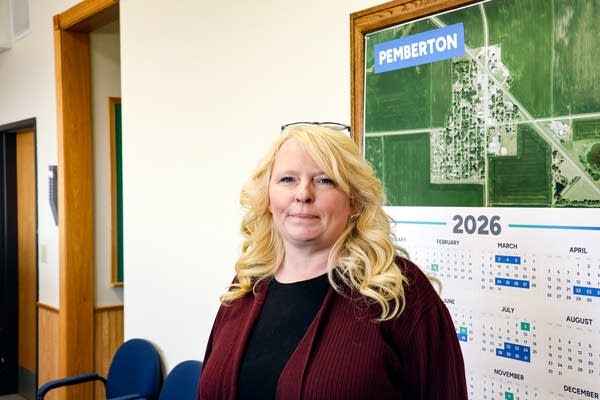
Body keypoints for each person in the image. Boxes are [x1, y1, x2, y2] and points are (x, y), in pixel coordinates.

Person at [197, 122, 467, 399]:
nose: (303, 194)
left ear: (354, 202)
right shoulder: (245, 286)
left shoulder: (399, 291)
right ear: (267, 197)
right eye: (287, 179)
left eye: (325, 180)